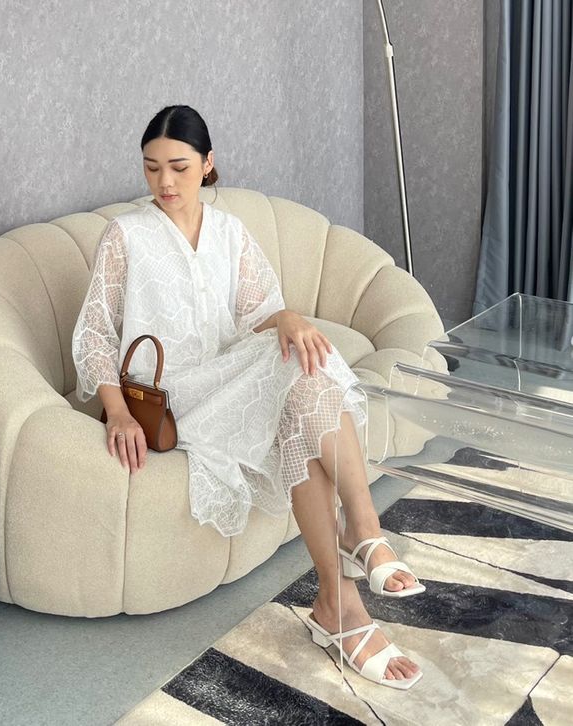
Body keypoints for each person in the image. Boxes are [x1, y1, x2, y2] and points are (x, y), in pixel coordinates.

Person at [72, 105, 424, 689]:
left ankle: (338, 602)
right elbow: (94, 334)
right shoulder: (126, 235)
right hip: (171, 399)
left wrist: (287, 318)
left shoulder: (229, 232)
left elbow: (259, 315)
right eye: (152, 167)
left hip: (226, 380)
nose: (165, 182)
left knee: (301, 379)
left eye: (179, 167)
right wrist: (115, 413)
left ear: (207, 163)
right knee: (298, 374)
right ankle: (363, 535)